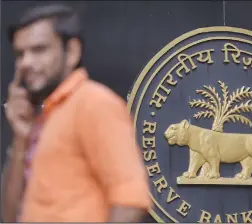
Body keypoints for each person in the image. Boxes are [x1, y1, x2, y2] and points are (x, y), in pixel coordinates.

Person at [1, 4, 151, 222]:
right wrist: (20, 137)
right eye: (20, 54)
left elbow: (130, 201)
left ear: (72, 52)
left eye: (39, 50)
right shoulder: (44, 117)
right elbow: (10, 216)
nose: (26, 63)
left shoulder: (94, 103)